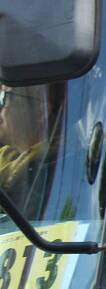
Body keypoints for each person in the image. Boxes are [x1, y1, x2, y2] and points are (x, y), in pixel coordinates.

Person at [0, 84, 56, 212]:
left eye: (4, 98)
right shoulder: (8, 161)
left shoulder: (45, 173)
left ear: (41, 112)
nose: (0, 107)